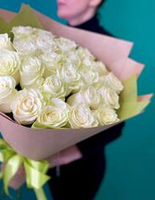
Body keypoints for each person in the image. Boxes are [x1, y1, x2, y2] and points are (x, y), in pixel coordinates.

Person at [47, 0, 125, 199]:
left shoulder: (111, 48)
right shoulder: (49, 39)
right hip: (50, 162)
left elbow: (117, 123)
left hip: (82, 167)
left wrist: (64, 155)